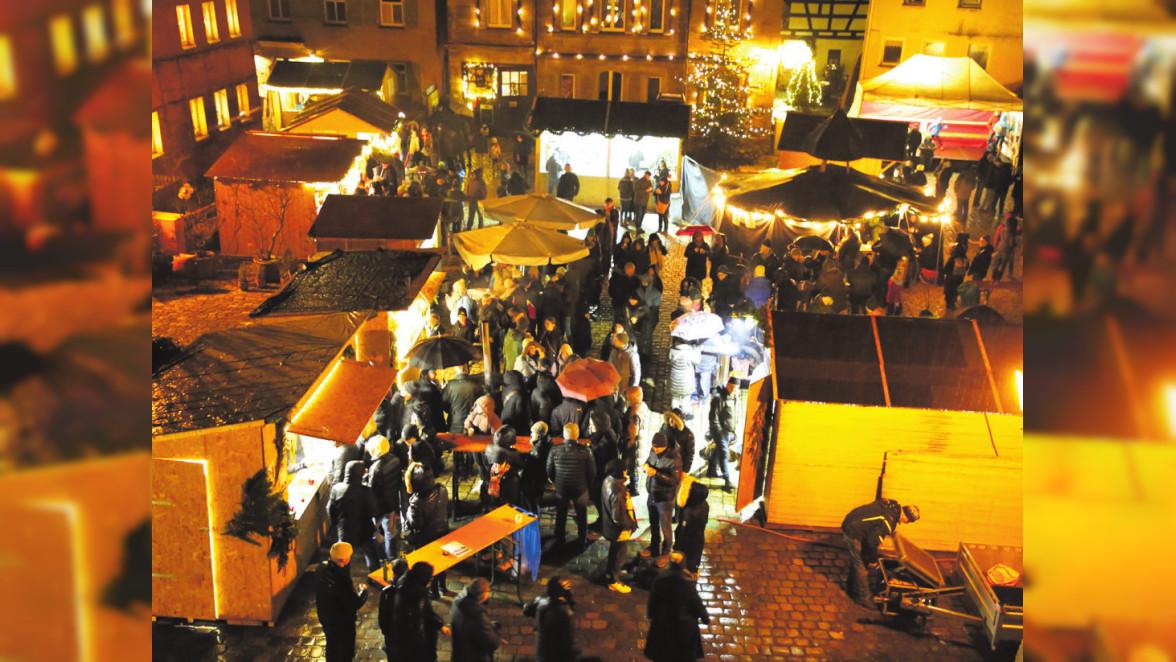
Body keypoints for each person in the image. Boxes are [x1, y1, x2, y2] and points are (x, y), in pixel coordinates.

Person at [841, 498, 920, 607]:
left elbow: (873, 526)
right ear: (905, 516)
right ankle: (863, 597)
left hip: (851, 519)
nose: (906, 523)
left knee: (857, 561)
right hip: (853, 530)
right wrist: (873, 561)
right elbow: (871, 543)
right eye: (908, 521)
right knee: (861, 566)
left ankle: (851, 587)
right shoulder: (888, 522)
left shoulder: (890, 504)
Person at [644, 552, 709, 662]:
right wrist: (705, 618)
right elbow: (696, 604)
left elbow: (653, 600)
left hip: (662, 625)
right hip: (683, 629)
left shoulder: (660, 580)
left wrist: (651, 615)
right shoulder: (686, 584)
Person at [316, 542, 369, 662]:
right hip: (342, 623)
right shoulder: (341, 579)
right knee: (345, 652)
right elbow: (354, 603)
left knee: (331, 647)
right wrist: (363, 591)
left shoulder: (321, 568)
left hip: (326, 618)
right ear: (345, 559)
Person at [547, 422, 596, 547]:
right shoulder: (586, 451)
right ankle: (582, 538)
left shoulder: (554, 450)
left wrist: (556, 481)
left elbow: (549, 470)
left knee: (561, 513)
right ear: (577, 434)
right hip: (580, 488)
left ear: (564, 434)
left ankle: (560, 538)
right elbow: (592, 472)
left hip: (562, 487)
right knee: (581, 514)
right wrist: (586, 485)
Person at [404, 468, 451, 598]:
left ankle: (433, 591)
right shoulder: (442, 489)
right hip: (442, 531)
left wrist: (408, 512)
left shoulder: (417, 501)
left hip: (425, 537)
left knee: (429, 567)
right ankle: (443, 587)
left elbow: (416, 524)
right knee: (441, 563)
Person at [327, 460, 380, 571]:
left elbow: (330, 509)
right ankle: (375, 578)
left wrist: (336, 523)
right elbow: (375, 510)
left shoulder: (337, 488)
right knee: (371, 556)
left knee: (343, 558)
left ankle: (343, 580)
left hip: (345, 530)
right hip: (364, 530)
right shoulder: (366, 491)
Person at [640, 432, 681, 568]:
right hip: (652, 495)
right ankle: (654, 547)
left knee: (666, 528)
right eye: (653, 447)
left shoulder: (674, 459)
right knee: (653, 524)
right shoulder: (653, 451)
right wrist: (645, 466)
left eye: (658, 448)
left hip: (665, 499)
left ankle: (666, 552)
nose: (655, 450)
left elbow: (674, 481)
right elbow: (649, 461)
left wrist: (656, 474)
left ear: (665, 446)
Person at [392, 561, 447, 662]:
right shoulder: (411, 596)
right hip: (418, 652)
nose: (431, 581)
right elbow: (412, 630)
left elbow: (426, 611)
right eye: (430, 578)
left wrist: (439, 624)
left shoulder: (416, 589)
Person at [523, 577, 581, 660]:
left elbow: (527, 609)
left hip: (542, 654)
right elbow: (563, 641)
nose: (567, 587)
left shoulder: (542, 601)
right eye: (564, 586)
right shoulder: (559, 614)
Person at [366, 436, 403, 565]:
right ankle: (392, 557)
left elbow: (373, 491)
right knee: (390, 532)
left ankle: (380, 556)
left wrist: (365, 480)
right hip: (391, 503)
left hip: (378, 508)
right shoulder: (395, 459)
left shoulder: (376, 468)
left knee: (373, 531)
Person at [449, 578, 501, 662]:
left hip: (458, 655)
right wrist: (495, 629)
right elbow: (492, 643)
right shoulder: (477, 614)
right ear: (484, 595)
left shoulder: (457, 601)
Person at [673, 482, 710, 578]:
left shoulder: (690, 512)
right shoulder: (705, 504)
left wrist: (676, 547)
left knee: (686, 562)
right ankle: (693, 573)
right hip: (699, 538)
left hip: (689, 543)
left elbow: (684, 533)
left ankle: (686, 577)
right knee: (695, 558)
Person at [706, 377, 737, 492]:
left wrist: (733, 428)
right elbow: (713, 417)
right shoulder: (718, 398)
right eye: (732, 387)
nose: (734, 389)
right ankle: (727, 479)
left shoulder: (733, 396)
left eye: (736, 388)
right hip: (720, 431)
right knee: (724, 453)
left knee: (719, 450)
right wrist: (719, 432)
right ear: (727, 385)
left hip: (727, 430)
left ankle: (711, 470)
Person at [377, 558, 410, 659]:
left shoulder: (387, 592)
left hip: (392, 633)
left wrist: (385, 631)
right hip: (408, 634)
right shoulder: (413, 588)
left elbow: (382, 616)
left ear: (394, 573)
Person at [484, 425, 523, 507]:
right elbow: (519, 465)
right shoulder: (513, 454)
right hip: (507, 490)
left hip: (491, 486)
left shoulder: (489, 448)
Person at [443, 364, 484, 436]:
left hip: (455, 422)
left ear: (456, 371)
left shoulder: (450, 385)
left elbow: (444, 404)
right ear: (466, 370)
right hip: (473, 422)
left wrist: (453, 412)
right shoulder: (476, 384)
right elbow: (482, 403)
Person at [667, 338, 701, 413]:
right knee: (685, 398)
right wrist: (697, 350)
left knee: (675, 397)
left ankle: (674, 414)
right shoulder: (689, 353)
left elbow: (669, 359)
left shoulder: (672, 351)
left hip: (674, 379)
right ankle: (685, 414)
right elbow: (697, 361)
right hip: (686, 381)